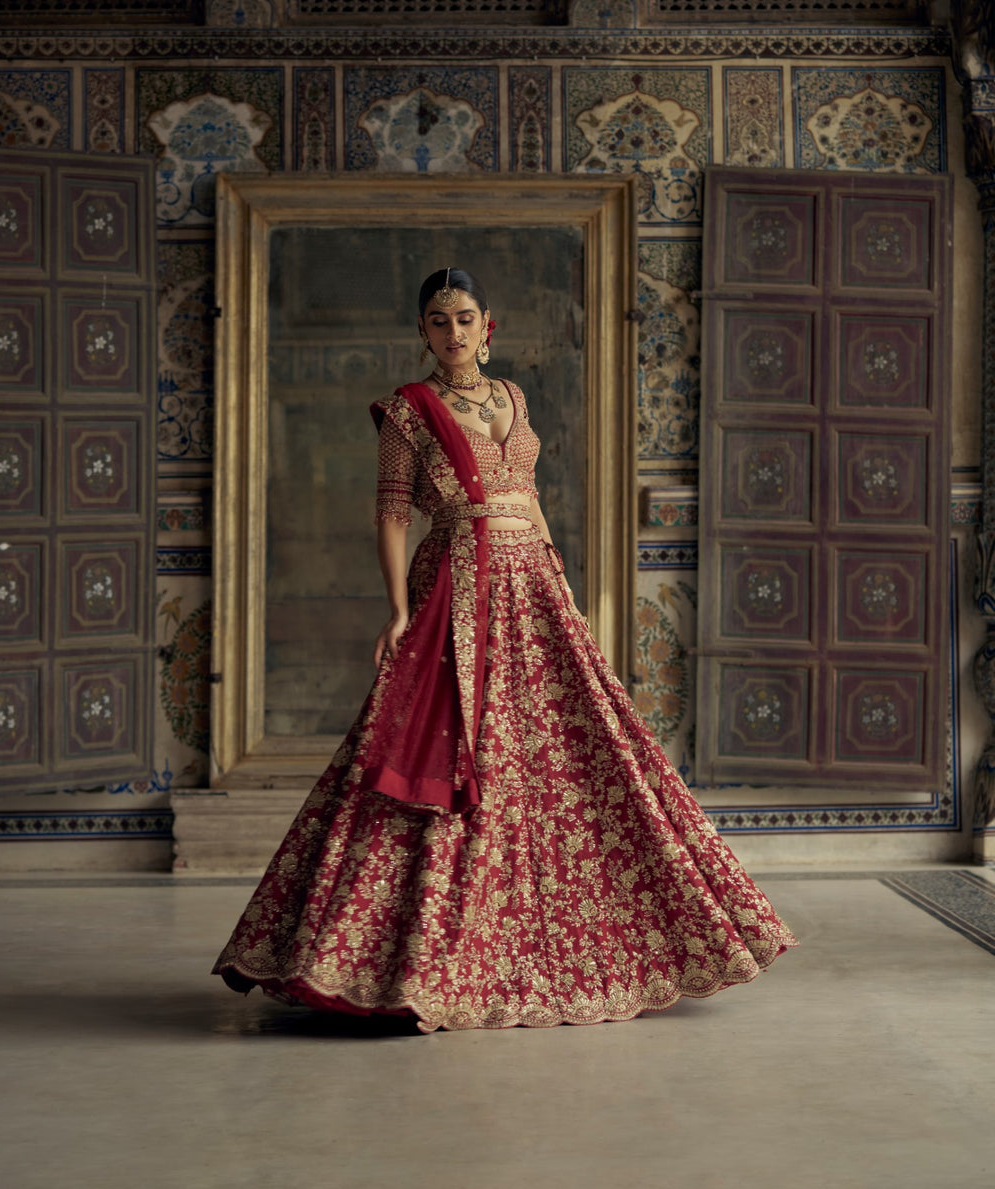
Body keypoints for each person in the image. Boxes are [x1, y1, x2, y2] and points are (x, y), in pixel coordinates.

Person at [213, 266, 797, 1031]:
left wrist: (565, 591)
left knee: (573, 748)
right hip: (459, 578)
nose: (451, 334)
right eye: (435, 321)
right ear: (421, 331)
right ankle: (402, 954)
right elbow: (392, 513)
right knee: (446, 743)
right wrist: (396, 610)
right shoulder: (408, 412)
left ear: (488, 325)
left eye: (463, 318)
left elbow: (531, 498)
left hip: (536, 583)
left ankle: (596, 936)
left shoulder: (514, 398)